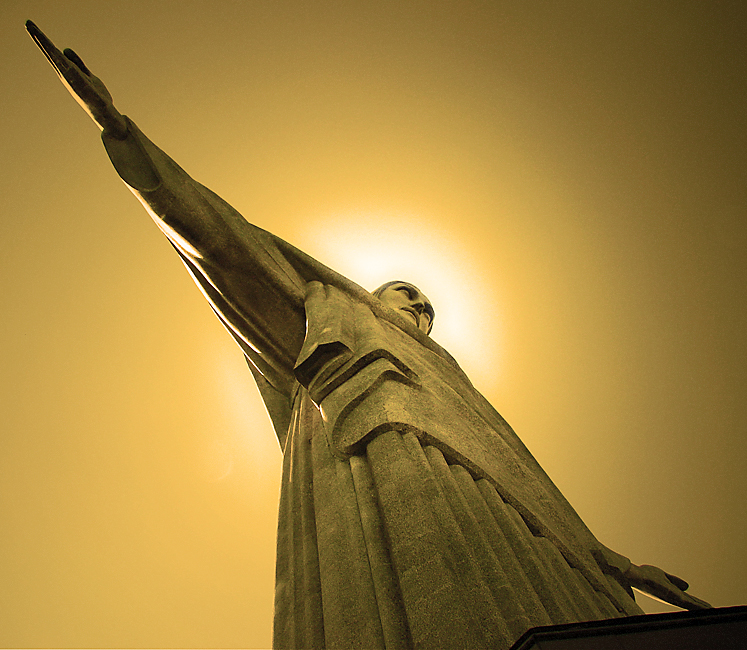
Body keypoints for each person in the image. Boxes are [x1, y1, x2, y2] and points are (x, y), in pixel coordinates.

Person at [27, 21, 710, 650]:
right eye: (403, 293)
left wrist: (606, 561)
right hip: (381, 453)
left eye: (425, 305)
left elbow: (533, 485)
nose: (417, 306)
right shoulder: (323, 307)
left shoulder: (453, 380)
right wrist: (120, 131)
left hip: (519, 529)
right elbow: (225, 244)